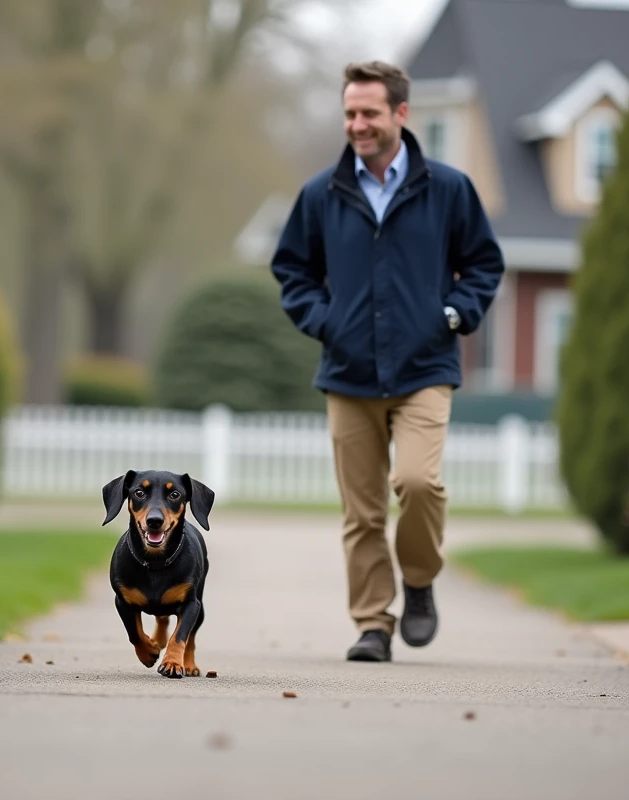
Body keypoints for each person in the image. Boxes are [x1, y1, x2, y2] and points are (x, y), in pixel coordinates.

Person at [269, 60, 505, 662]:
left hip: (425, 368)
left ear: (401, 113)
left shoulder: (448, 189)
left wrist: (452, 315)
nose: (357, 124)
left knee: (418, 483)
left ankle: (419, 580)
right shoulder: (321, 194)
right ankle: (373, 624)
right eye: (349, 113)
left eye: (369, 112)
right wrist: (326, 323)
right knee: (363, 513)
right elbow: (292, 271)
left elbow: (482, 264)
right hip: (348, 375)